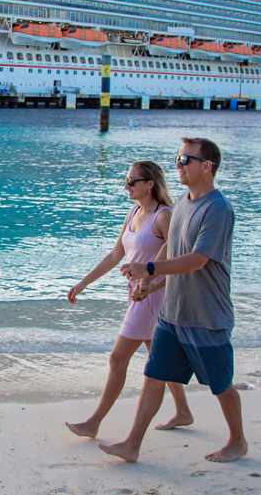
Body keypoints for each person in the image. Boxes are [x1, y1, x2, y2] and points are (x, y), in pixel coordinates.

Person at [101, 137, 247, 464]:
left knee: (221, 384)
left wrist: (149, 267)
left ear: (207, 166)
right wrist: (149, 283)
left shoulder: (218, 209)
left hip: (206, 314)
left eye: (185, 160)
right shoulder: (181, 203)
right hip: (171, 313)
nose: (178, 165)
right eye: (178, 159)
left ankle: (238, 441)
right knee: (154, 375)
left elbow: (197, 259)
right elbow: (172, 248)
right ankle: (132, 444)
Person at [65, 161, 192, 439]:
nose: (126, 185)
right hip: (136, 295)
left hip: (153, 297)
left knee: (117, 357)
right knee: (157, 356)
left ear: (150, 184)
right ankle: (183, 411)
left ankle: (94, 422)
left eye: (132, 181)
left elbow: (174, 259)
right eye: (126, 180)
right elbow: (115, 255)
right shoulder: (133, 212)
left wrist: (149, 281)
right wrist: (83, 283)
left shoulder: (164, 216)